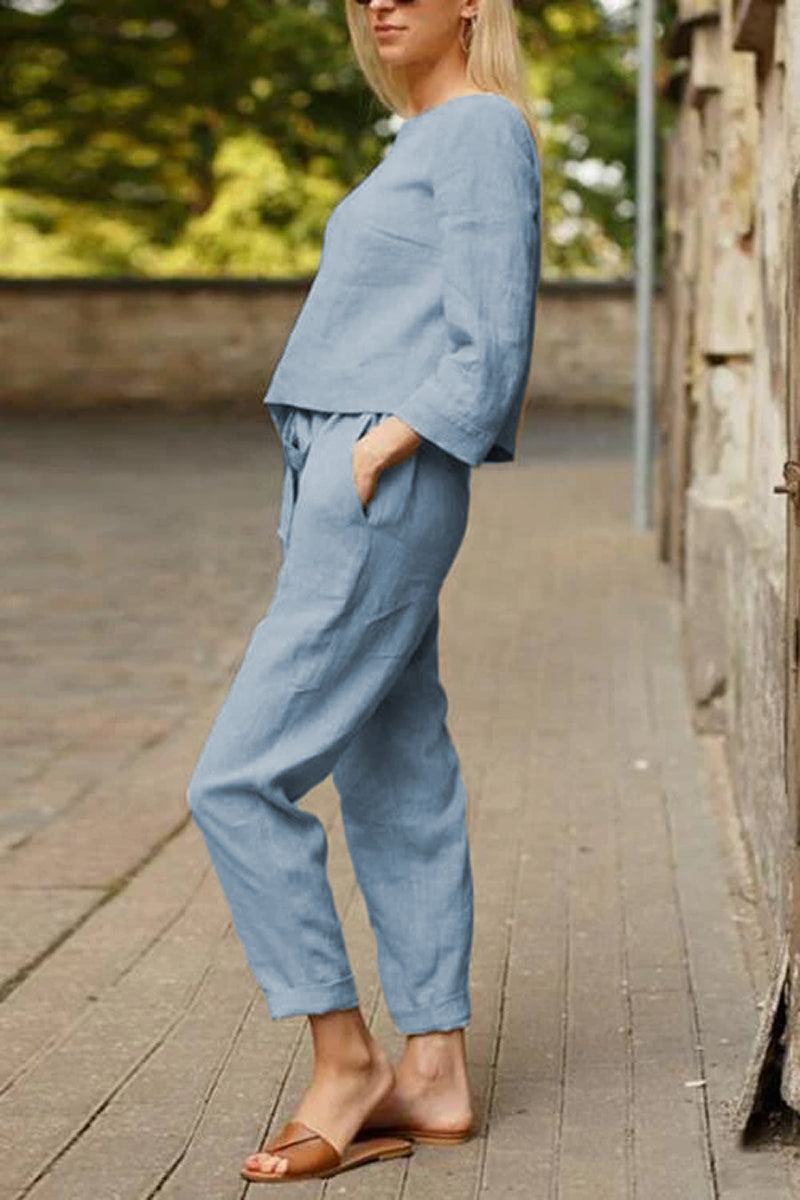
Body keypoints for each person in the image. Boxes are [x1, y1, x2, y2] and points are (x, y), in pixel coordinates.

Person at [186, 0, 542, 1185]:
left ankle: (345, 1060)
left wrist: (396, 436)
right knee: (397, 768)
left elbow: (489, 334)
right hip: (351, 474)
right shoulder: (422, 137)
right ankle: (431, 1073)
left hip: (382, 472)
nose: (380, 3)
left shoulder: (481, 127)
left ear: (472, 7)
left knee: (236, 779)